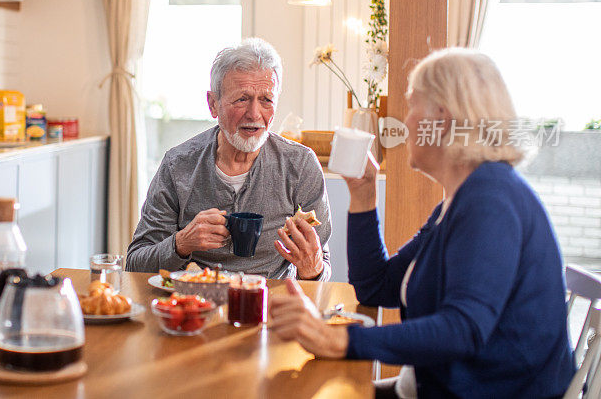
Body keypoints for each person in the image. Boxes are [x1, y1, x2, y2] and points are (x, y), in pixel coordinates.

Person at [269, 48, 574, 398]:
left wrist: (338, 339)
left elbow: (464, 329)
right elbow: (376, 287)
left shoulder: (491, 198)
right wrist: (364, 197)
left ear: (441, 118)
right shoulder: (461, 199)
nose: (404, 121)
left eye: (412, 105)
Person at [126, 38, 332, 280]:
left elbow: (323, 267)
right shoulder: (177, 165)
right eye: (242, 99)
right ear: (213, 104)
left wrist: (312, 269)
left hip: (270, 306)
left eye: (266, 100)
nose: (254, 114)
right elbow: (135, 264)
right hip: (196, 303)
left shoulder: (301, 165)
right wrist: (181, 243)